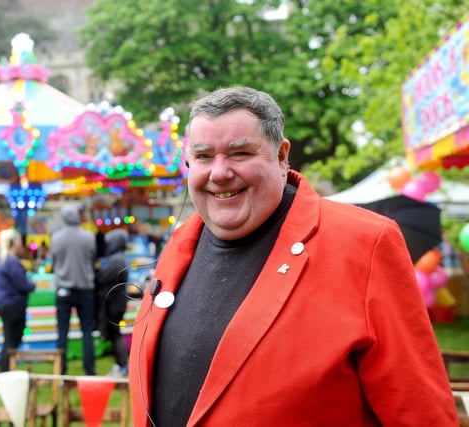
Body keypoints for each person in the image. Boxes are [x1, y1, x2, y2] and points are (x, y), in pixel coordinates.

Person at [129, 87, 458, 426]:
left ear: (282, 155)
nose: (219, 173)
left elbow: (421, 412)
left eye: (240, 153)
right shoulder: (181, 242)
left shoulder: (367, 243)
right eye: (203, 156)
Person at [51, 204, 97, 375]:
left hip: (63, 289)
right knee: (87, 332)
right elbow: (92, 258)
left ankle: (61, 371)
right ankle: (90, 371)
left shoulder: (56, 238)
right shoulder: (88, 237)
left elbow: (55, 261)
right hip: (85, 289)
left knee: (62, 332)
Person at [0, 228, 36, 372]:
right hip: (13, 305)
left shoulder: (1, 260)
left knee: (8, 339)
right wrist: (32, 285)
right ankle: (6, 370)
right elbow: (21, 284)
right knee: (12, 341)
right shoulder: (11, 262)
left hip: (4, 304)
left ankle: (7, 369)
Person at [95, 228, 130, 377]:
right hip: (118, 301)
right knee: (115, 333)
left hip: (115, 303)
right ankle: (120, 364)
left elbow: (102, 278)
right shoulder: (119, 258)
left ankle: (122, 365)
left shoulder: (116, 260)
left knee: (115, 334)